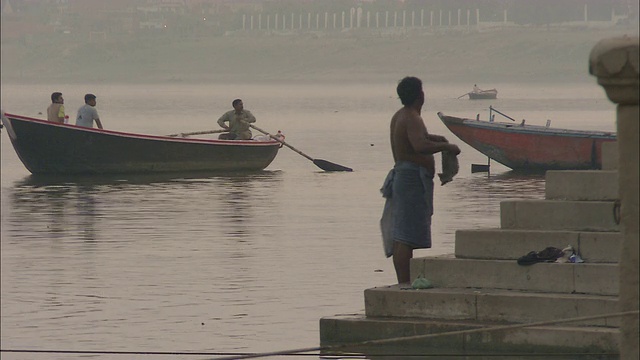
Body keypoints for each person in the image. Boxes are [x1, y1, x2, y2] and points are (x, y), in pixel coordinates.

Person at [384, 76, 460, 284]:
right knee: (404, 236)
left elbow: (418, 139)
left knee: (404, 233)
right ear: (420, 95)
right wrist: (446, 147)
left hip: (406, 178)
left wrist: (438, 139)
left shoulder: (402, 115)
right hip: (410, 180)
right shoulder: (411, 117)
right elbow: (419, 146)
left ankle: (404, 281)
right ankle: (404, 283)